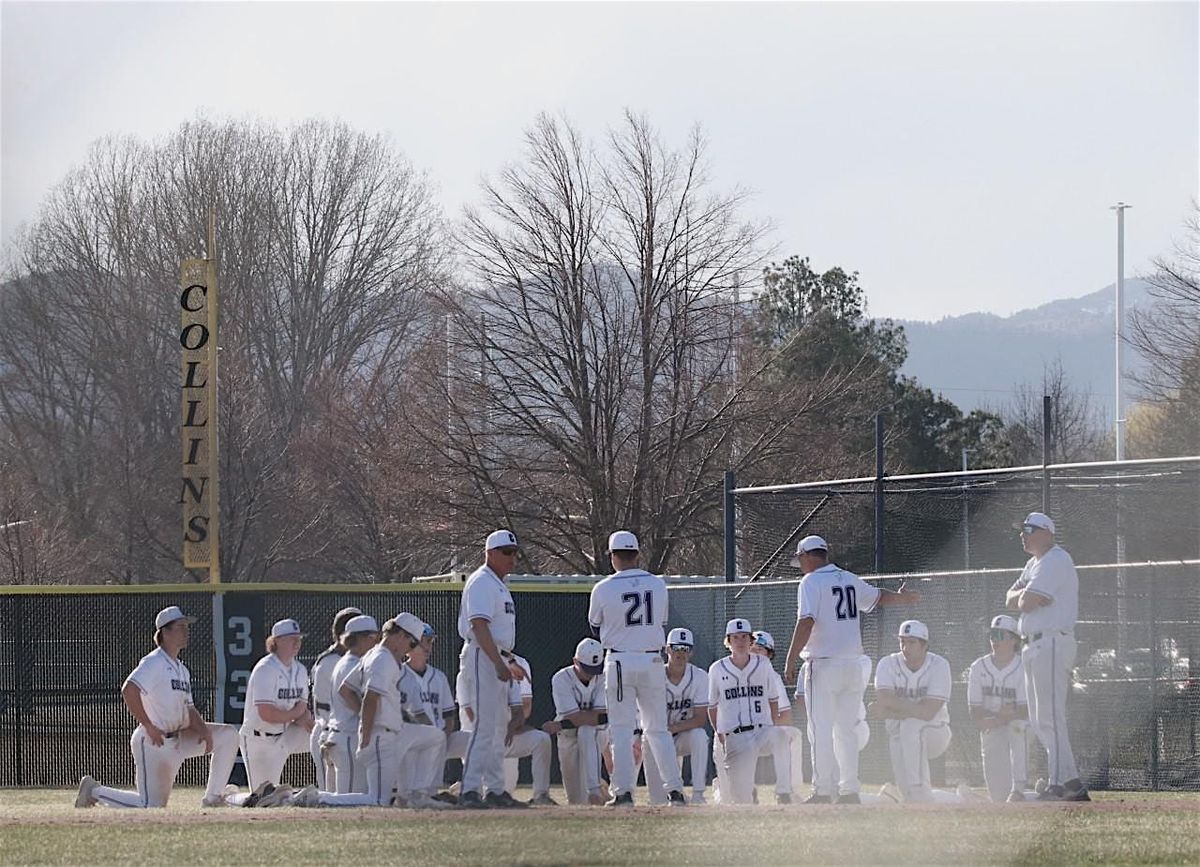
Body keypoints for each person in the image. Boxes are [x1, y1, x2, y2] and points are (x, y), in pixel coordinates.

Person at [782, 534, 920, 804]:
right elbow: (878, 598)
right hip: (852, 665)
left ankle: (822, 790)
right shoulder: (847, 577)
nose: (800, 564)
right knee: (846, 730)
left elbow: (806, 621)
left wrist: (791, 658)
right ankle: (849, 790)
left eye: (800, 558)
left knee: (820, 729)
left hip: (823, 664)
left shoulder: (810, 581)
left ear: (809, 556)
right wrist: (904, 600)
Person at [75, 606, 239, 809]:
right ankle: (93, 791)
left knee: (228, 735)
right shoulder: (154, 662)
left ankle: (213, 799)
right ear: (165, 632)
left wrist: (205, 731)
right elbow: (129, 689)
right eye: (180, 627)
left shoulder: (181, 669)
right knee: (151, 806)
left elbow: (189, 709)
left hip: (180, 738)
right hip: (155, 742)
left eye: (186, 627)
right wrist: (148, 725)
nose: (186, 631)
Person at [587, 530, 685, 807]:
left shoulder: (604, 587)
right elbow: (661, 621)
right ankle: (675, 791)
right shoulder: (657, 584)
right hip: (653, 659)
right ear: (637, 554)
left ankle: (624, 792)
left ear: (612, 556)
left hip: (620, 659)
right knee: (658, 729)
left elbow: (594, 626)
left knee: (621, 728)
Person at [1005, 511, 1090, 802]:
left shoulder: (1056, 559)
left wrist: (1025, 597)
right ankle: (1071, 781)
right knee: (1040, 719)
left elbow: (1026, 601)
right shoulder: (1033, 563)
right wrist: (1025, 597)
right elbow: (1010, 597)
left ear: (1045, 532)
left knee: (1050, 715)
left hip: (1052, 641)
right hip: (1032, 644)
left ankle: (1058, 784)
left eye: (1027, 529)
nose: (1022, 534)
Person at [458, 529, 524, 809]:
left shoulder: (499, 584)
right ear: (490, 553)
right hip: (481, 654)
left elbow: (497, 634)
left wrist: (508, 661)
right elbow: (479, 626)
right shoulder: (482, 581)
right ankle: (470, 789)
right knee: (484, 726)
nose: (512, 558)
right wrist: (498, 663)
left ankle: (496, 789)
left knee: (498, 727)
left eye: (514, 552)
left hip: (495, 655)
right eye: (506, 552)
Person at [707, 618, 792, 805]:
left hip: (761, 731)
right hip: (735, 736)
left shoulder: (763, 665)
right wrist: (718, 730)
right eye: (735, 638)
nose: (740, 642)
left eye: (744, 637)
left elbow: (773, 699)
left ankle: (784, 793)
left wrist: (770, 726)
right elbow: (712, 707)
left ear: (750, 641)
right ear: (728, 642)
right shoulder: (717, 669)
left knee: (782, 736)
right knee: (741, 799)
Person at [871, 620, 953, 803]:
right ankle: (958, 800)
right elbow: (884, 699)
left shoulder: (939, 665)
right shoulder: (887, 663)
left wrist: (892, 710)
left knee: (911, 725)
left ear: (925, 645)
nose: (906, 647)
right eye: (903, 641)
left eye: (912, 642)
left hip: (935, 733)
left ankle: (918, 790)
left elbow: (928, 713)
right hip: (898, 735)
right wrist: (915, 708)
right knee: (908, 795)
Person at [237, 618, 315, 795]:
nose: (297, 642)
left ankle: (329, 792)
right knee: (261, 798)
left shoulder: (300, 670)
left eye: (299, 638)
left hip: (285, 735)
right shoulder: (265, 669)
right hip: (258, 740)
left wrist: (306, 720)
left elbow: (302, 706)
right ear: (276, 641)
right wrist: (297, 714)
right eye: (291, 638)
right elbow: (267, 714)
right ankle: (230, 796)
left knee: (325, 738)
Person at [642, 627, 709, 805]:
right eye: (676, 648)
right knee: (658, 801)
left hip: (681, 735)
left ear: (691, 652)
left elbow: (700, 719)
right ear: (667, 650)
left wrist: (672, 729)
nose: (680, 653)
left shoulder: (700, 677)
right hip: (655, 740)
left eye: (685, 649)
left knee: (700, 736)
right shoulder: (652, 675)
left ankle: (698, 794)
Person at [967, 615, 1030, 803]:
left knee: (1017, 727)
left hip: (1021, 724)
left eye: (1000, 635)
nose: (995, 640)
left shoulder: (1023, 666)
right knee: (997, 797)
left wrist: (997, 719)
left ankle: (1019, 788)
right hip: (992, 724)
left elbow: (1024, 710)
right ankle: (1030, 796)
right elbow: (975, 710)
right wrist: (997, 719)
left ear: (1014, 640)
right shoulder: (978, 667)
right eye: (993, 635)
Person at [543, 638, 609, 805]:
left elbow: (601, 717)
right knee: (575, 799)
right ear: (575, 661)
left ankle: (595, 790)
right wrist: (589, 717)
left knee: (587, 731)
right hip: (567, 736)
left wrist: (559, 724)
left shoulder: (604, 676)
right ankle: (600, 787)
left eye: (595, 669)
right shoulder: (561, 679)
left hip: (596, 733)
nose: (591, 673)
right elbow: (576, 717)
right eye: (587, 669)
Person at [322, 614, 380, 794]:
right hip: (347, 736)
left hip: (341, 736)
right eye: (373, 637)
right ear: (361, 638)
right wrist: (367, 716)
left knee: (346, 799)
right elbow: (346, 694)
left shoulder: (346, 661)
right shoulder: (351, 664)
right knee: (349, 800)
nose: (376, 642)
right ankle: (304, 801)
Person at [309, 607, 362, 791]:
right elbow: (327, 706)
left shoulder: (349, 660)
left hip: (342, 733)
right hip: (329, 733)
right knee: (330, 797)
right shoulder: (331, 662)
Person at [748, 630, 803, 800]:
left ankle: (787, 791)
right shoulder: (732, 672)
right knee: (719, 740)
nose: (756, 652)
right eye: (753, 648)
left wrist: (765, 727)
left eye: (761, 649)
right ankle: (730, 788)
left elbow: (786, 717)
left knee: (789, 734)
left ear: (769, 654)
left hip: (765, 734)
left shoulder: (773, 677)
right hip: (740, 734)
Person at [502, 653, 556, 805]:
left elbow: (525, 706)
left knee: (542, 739)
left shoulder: (519, 666)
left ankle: (541, 796)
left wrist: (515, 725)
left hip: (508, 733)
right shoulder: (477, 664)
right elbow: (471, 713)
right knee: (486, 792)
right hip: (483, 736)